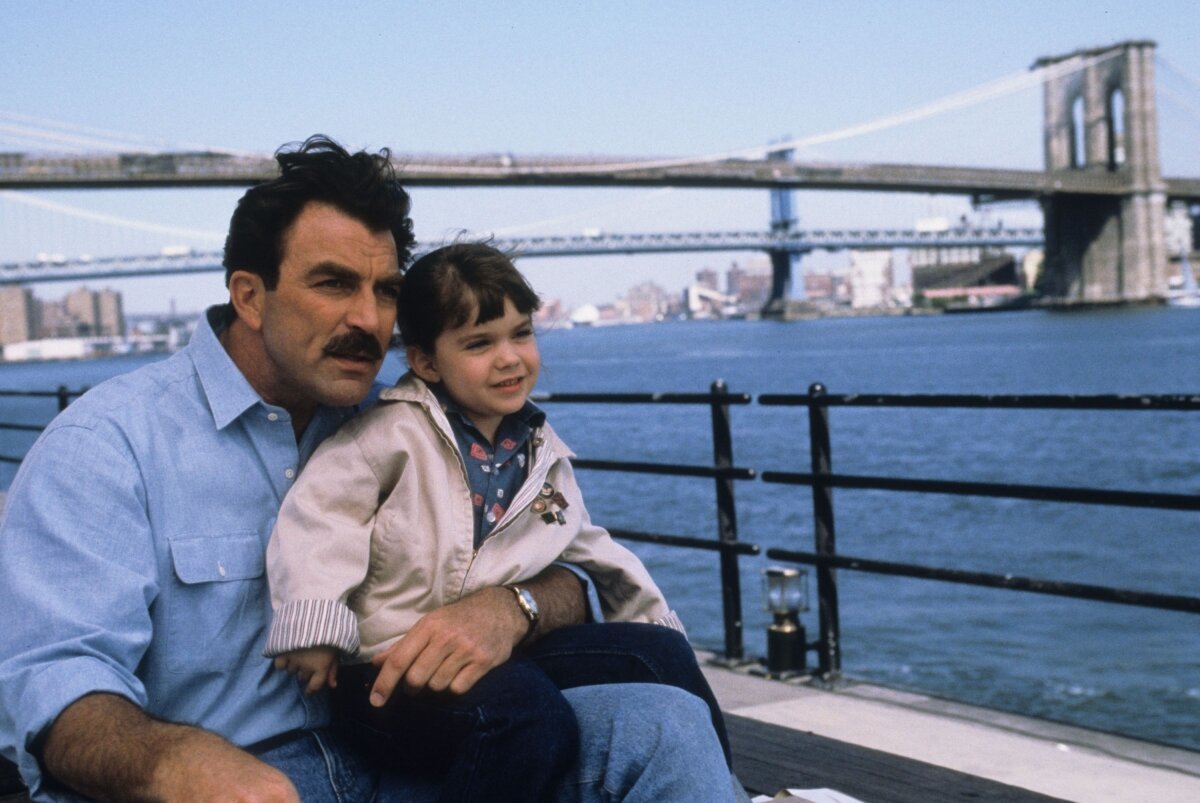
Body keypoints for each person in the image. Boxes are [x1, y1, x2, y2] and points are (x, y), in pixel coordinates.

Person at [0, 136, 739, 802]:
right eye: (333, 284)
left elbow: (559, 555)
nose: (369, 320)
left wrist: (513, 606)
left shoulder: (411, 423)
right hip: (248, 780)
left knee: (665, 725)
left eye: (385, 290)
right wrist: (176, 763)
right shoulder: (107, 446)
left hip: (423, 751)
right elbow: (54, 686)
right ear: (250, 296)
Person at [264, 243, 730, 801]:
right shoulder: (389, 436)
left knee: (660, 655)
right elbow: (320, 517)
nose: (509, 358)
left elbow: (593, 549)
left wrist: (649, 618)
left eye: (521, 334)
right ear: (426, 362)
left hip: (495, 659)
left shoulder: (539, 451)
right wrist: (314, 625)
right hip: (387, 673)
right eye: (479, 343)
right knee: (529, 715)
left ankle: (730, 792)